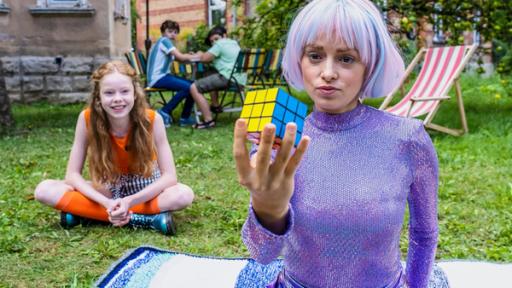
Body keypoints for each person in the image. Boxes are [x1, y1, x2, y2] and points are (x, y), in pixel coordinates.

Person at [233, 0, 440, 287]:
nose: (328, 72)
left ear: (370, 65)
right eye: (315, 55)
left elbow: (425, 234)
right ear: (299, 61)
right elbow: (263, 254)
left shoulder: (407, 139)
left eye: (346, 58)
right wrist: (268, 210)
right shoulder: (282, 142)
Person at [34, 61, 194, 235]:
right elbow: (72, 175)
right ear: (98, 97)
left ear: (134, 93)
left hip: (146, 190)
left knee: (183, 195)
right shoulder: (87, 119)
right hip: (106, 190)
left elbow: (170, 177)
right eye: (109, 93)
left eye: (124, 91)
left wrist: (130, 201)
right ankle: (146, 220)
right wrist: (106, 203)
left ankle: (87, 215)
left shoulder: (153, 119)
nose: (117, 98)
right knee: (44, 190)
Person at [188, 26, 247, 129]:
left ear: (224, 35)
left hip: (228, 78)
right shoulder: (234, 44)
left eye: (216, 38)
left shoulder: (220, 44)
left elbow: (204, 58)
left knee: (193, 87)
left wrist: (200, 54)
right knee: (210, 73)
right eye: (212, 41)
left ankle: (208, 120)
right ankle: (215, 106)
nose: (214, 42)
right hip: (240, 80)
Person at [146, 20, 197, 127]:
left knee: (193, 85)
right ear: (163, 32)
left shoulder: (163, 43)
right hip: (158, 78)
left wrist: (189, 56)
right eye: (169, 31)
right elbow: (181, 57)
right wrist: (196, 56)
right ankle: (164, 111)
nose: (172, 34)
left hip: (161, 77)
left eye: (175, 32)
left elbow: (180, 59)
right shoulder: (164, 41)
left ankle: (184, 118)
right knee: (190, 87)